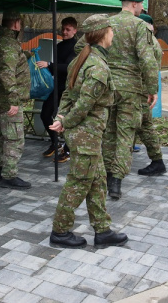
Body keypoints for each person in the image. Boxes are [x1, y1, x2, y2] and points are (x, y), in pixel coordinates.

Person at [48, 15, 128, 249]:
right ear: (103, 34)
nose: (113, 34)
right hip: (86, 135)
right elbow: (83, 104)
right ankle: (60, 231)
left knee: (97, 181)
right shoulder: (97, 67)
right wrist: (66, 121)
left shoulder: (82, 59)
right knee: (78, 183)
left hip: (87, 135)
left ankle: (102, 229)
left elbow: (66, 94)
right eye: (111, 31)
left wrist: (61, 117)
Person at [100, 0, 159, 200]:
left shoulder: (106, 23)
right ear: (134, 4)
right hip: (131, 90)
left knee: (108, 132)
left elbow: (84, 47)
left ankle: (107, 175)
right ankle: (116, 181)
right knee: (126, 135)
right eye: (142, 5)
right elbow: (148, 60)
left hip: (107, 86)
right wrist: (152, 89)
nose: (142, 8)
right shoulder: (139, 26)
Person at [0, 9, 32, 189]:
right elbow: (7, 73)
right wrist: (14, 100)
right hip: (7, 101)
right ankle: (9, 175)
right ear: (15, 24)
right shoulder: (9, 45)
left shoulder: (0, 41)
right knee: (14, 138)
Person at [37, 16, 78, 163]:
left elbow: (68, 67)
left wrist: (49, 64)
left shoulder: (77, 47)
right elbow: (57, 68)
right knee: (45, 114)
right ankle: (55, 143)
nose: (64, 32)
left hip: (70, 89)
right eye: (63, 29)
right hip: (57, 87)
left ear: (75, 30)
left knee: (67, 120)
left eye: (68, 29)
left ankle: (67, 150)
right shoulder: (59, 46)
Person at [135, 13, 167, 176]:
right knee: (143, 126)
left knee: (145, 126)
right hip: (142, 90)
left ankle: (157, 161)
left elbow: (150, 68)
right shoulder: (151, 41)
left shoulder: (149, 43)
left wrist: (150, 89)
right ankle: (157, 161)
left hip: (141, 91)